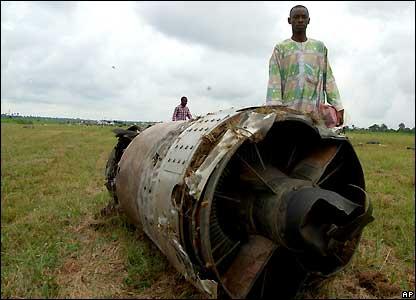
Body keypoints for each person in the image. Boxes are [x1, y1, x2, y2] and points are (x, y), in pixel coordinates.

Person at [266, 5, 344, 127]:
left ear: (309, 20)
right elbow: (274, 82)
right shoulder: (281, 49)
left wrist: (338, 106)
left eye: (303, 17)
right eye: (296, 17)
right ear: (289, 20)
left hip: (314, 113)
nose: (300, 20)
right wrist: (275, 110)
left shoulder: (319, 48)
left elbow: (328, 79)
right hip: (288, 113)